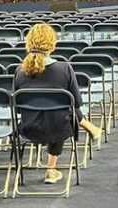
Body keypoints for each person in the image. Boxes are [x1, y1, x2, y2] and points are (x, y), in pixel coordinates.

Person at [13, 23, 102, 185]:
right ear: (52, 44)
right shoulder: (64, 68)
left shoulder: (19, 71)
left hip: (28, 129)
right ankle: (51, 169)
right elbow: (77, 102)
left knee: (58, 110)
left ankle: (90, 128)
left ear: (29, 42)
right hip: (58, 130)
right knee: (65, 109)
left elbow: (18, 108)